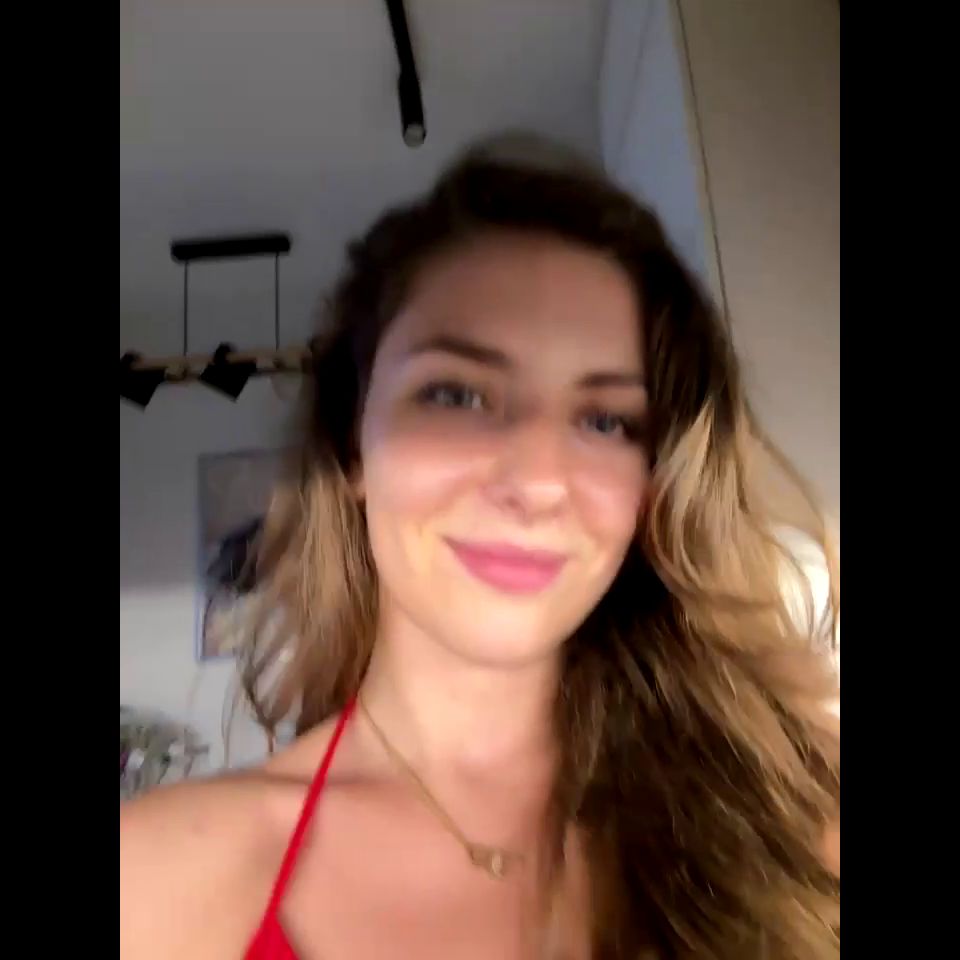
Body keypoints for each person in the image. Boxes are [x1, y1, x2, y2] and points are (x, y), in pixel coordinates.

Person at [120, 138, 840, 959]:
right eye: (457, 395)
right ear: (351, 446)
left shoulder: (795, 818)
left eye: (607, 420)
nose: (536, 483)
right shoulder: (153, 884)